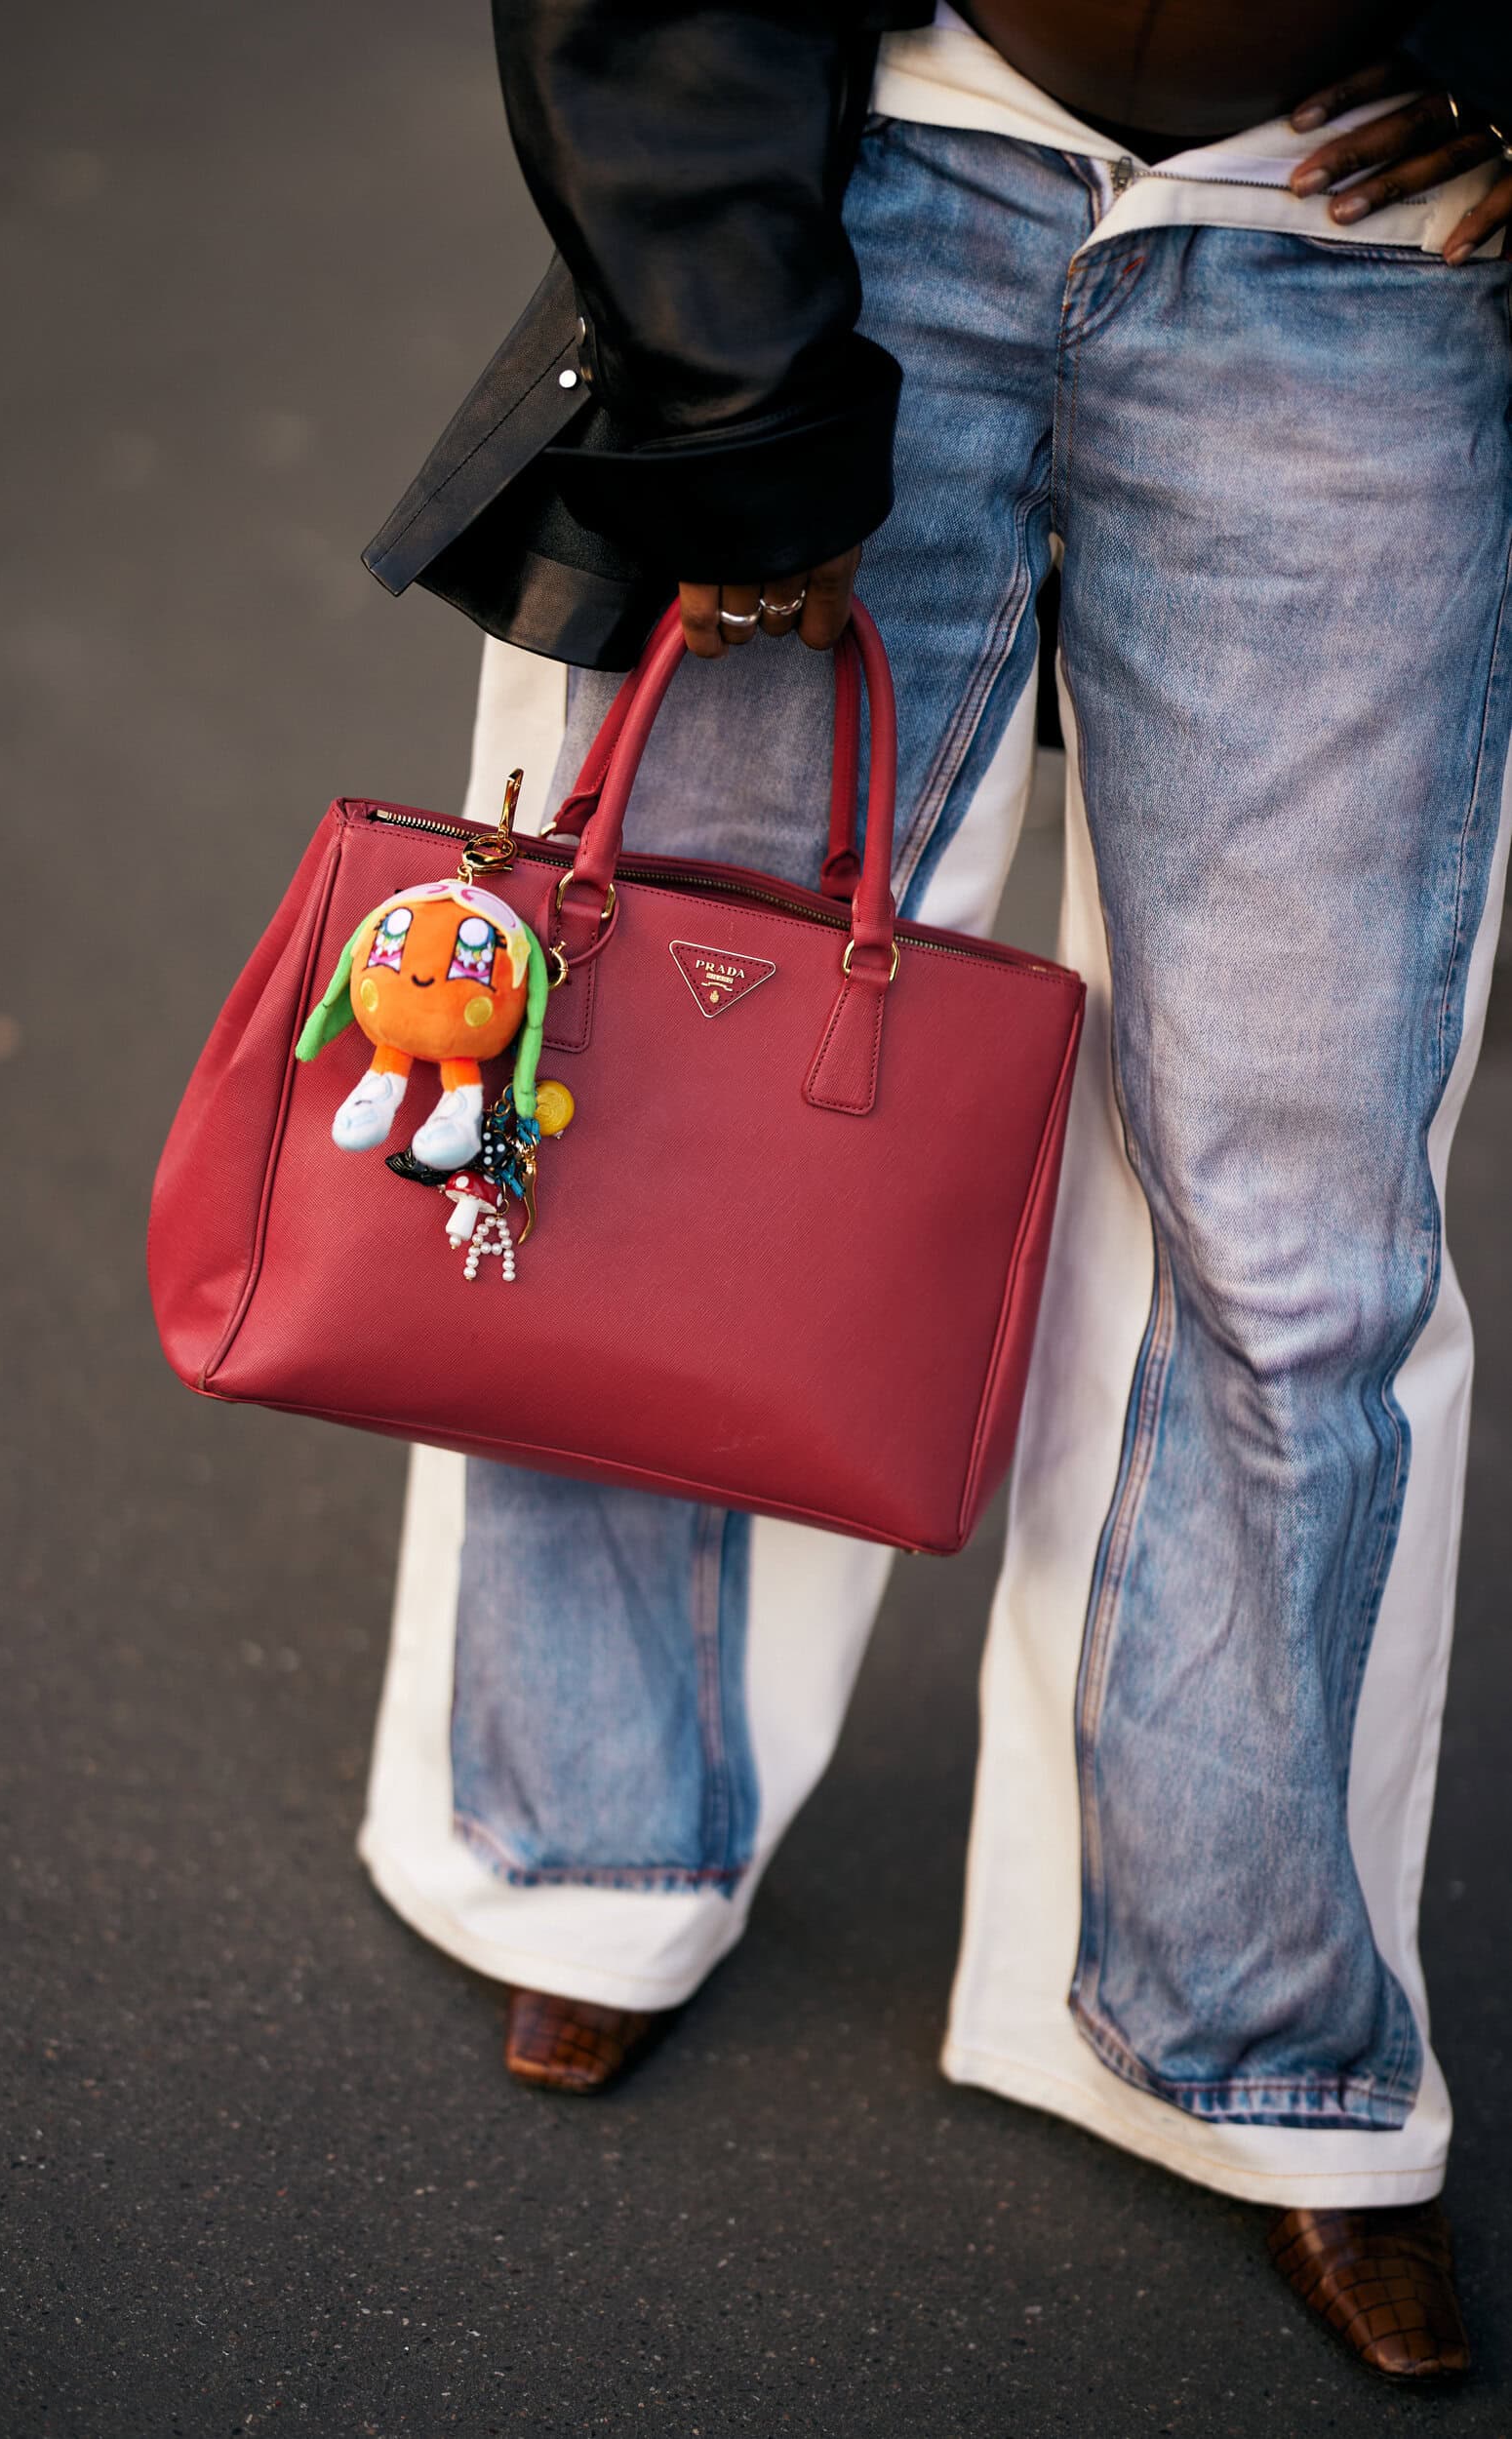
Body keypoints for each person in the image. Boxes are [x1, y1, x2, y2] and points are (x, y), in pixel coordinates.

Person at [358, 1, 1512, 2382]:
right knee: (646, 1097)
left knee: (1302, 1241)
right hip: (879, 184)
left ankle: (1243, 2028)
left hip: (1370, 251)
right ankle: (595, 1837)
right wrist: (730, 373)